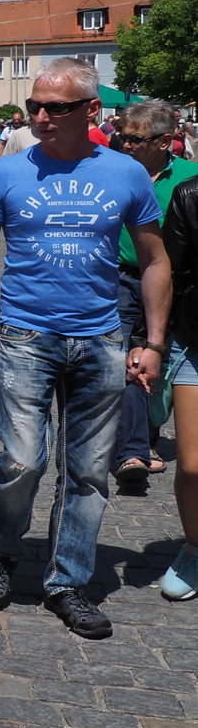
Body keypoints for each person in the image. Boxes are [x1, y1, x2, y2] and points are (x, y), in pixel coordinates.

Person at [0, 58, 169, 638]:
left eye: (56, 107)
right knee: (21, 460)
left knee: (90, 472)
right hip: (26, 335)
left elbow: (154, 260)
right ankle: (3, 550)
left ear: (91, 111)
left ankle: (69, 580)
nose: (42, 117)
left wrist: (152, 341)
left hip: (99, 338)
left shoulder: (127, 174)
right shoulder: (7, 173)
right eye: (34, 107)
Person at [111, 103, 197, 484]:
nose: (126, 145)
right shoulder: (112, 173)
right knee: (131, 355)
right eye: (122, 137)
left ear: (166, 141)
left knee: (168, 358)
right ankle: (135, 449)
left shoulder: (190, 177)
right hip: (124, 279)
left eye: (135, 139)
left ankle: (153, 434)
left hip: (180, 285)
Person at [155, 168, 198, 598]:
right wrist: (154, 341)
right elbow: (171, 271)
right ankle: (195, 547)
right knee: (192, 463)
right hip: (194, 340)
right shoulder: (189, 195)